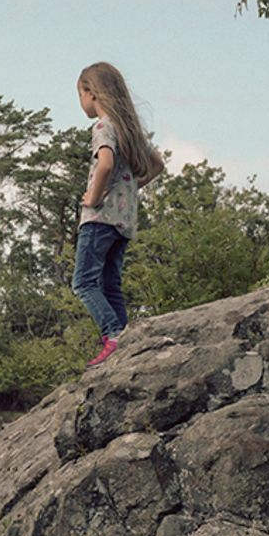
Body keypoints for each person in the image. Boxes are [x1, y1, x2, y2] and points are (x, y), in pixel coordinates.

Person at [74, 61, 165, 366]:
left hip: (99, 219)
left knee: (84, 283)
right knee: (110, 283)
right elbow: (157, 165)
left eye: (81, 94)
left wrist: (94, 197)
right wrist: (132, 188)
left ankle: (112, 334)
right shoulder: (130, 130)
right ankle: (125, 341)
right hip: (123, 221)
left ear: (91, 93)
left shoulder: (103, 127)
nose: (81, 101)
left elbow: (106, 164)